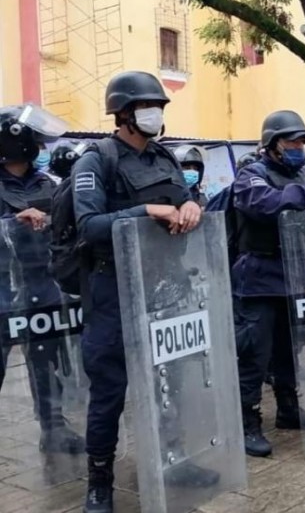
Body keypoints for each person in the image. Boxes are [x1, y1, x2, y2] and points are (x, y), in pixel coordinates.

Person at [72, 71, 210, 512]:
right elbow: (88, 227)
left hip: (163, 286)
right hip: (111, 290)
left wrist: (193, 204)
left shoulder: (165, 158)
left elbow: (187, 199)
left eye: (160, 107)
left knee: (170, 380)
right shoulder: (96, 160)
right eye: (148, 107)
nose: (156, 114)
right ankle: (100, 484)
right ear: (125, 113)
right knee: (110, 391)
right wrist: (142, 210)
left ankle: (175, 458)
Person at [231, 110, 305, 458]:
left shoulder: (303, 173)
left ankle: (288, 409)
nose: (298, 147)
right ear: (272, 144)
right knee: (255, 353)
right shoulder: (251, 174)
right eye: (291, 141)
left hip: (293, 275)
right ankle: (247, 422)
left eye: (302, 141)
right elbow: (264, 203)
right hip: (258, 276)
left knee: (289, 349)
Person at [0, 105, 85, 454]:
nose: (39, 145)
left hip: (43, 289)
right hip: (3, 293)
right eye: (34, 138)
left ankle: (54, 430)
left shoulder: (48, 183)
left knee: (46, 364)